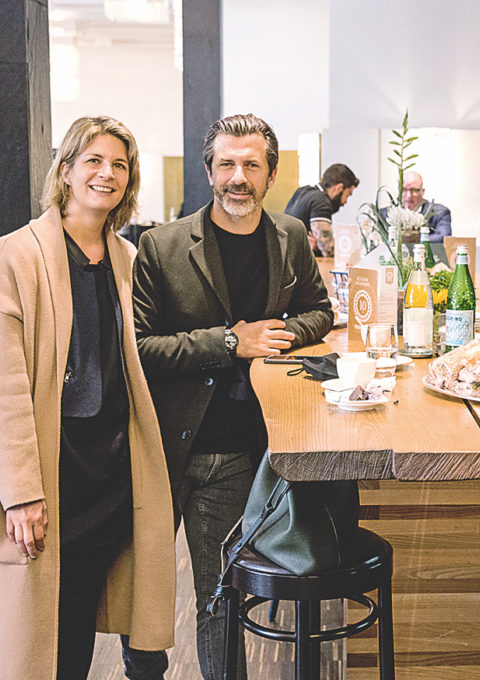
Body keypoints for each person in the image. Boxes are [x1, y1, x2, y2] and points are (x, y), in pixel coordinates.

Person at [126, 113, 333, 680]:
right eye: (226, 164)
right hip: (161, 447)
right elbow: (140, 349)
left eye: (251, 165)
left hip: (236, 452)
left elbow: (321, 310)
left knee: (219, 597)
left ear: (270, 176)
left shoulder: (290, 236)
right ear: (209, 170)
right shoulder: (161, 246)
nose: (237, 177)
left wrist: (280, 333)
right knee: (141, 591)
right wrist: (231, 342)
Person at [0, 116, 176, 680]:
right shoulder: (14, 256)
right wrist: (19, 493)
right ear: (65, 171)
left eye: (119, 165)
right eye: (93, 161)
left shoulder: (124, 259)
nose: (106, 174)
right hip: (50, 477)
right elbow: (1, 386)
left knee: (77, 627)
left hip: (107, 475)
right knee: (35, 645)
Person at [284, 162, 359, 257]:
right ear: (338, 188)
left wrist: (317, 245)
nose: (345, 202)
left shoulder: (302, 192)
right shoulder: (321, 201)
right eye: (347, 195)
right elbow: (328, 249)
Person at [393, 170, 452, 242]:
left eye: (414, 190)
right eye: (404, 189)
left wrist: (415, 241)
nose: (409, 195)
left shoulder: (439, 212)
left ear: (422, 191)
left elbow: (444, 238)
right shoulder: (387, 214)